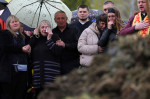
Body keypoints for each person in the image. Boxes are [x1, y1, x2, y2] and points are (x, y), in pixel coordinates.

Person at [29, 20, 63, 98]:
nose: (44, 29)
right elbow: (29, 48)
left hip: (51, 74)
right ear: (39, 29)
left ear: (50, 28)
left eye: (47, 27)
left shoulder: (55, 37)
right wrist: (34, 35)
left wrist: (49, 39)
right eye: (42, 27)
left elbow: (58, 52)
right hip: (38, 74)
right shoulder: (36, 38)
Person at [0, 15, 30, 99]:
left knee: (20, 95)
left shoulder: (24, 36)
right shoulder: (5, 34)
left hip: (23, 70)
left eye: (16, 21)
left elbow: (30, 46)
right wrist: (21, 49)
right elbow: (6, 47)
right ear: (9, 24)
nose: (15, 23)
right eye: (12, 22)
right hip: (10, 72)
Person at [53, 11, 79, 75]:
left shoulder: (74, 30)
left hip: (72, 65)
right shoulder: (53, 32)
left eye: (62, 18)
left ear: (66, 18)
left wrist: (65, 45)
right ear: (55, 20)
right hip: (56, 65)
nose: (60, 20)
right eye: (58, 18)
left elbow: (78, 45)